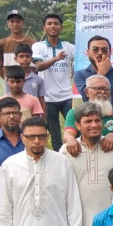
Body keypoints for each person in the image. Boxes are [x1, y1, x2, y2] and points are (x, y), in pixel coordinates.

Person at [32, 13, 76, 152]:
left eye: (56, 24)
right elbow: (38, 67)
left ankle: (75, 153)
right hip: (47, 97)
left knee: (75, 127)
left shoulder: (69, 47)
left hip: (66, 96)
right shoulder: (38, 47)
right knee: (54, 132)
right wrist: (56, 59)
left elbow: (81, 62)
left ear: (61, 28)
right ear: (44, 28)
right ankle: (59, 157)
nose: (53, 26)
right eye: (49, 24)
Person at [62, 74, 113, 156]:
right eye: (98, 88)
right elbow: (67, 134)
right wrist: (70, 139)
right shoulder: (74, 113)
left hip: (109, 153)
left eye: (106, 89)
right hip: (81, 154)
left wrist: (112, 135)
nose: (102, 92)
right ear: (87, 92)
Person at [74, 35, 113, 115]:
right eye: (95, 49)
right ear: (88, 53)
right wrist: (101, 72)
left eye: (104, 50)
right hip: (92, 120)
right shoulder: (80, 74)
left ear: (110, 53)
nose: (100, 53)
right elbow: (86, 97)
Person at [0, 10, 34, 79]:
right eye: (12, 21)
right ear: (8, 23)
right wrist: (8, 80)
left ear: (23, 23)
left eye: (18, 21)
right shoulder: (2, 43)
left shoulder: (33, 43)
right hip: (11, 84)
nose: (15, 24)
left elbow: (37, 66)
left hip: (30, 82)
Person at [10, 43, 45, 109]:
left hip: (34, 114)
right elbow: (7, 97)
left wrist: (43, 118)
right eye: (21, 56)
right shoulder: (10, 79)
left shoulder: (38, 80)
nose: (25, 59)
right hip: (16, 112)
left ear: (32, 59)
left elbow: (42, 100)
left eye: (27, 56)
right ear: (16, 59)